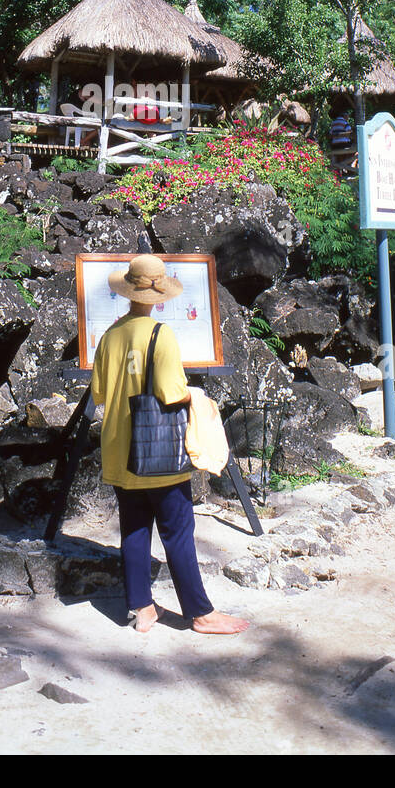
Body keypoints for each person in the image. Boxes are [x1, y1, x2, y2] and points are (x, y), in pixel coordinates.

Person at [90, 254, 250, 636]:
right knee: (177, 530)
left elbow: (98, 393)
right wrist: (196, 395)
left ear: (127, 292)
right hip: (158, 451)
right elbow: (170, 391)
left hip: (120, 448)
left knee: (133, 528)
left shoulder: (110, 336)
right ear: (158, 295)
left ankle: (142, 609)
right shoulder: (162, 335)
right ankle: (200, 613)